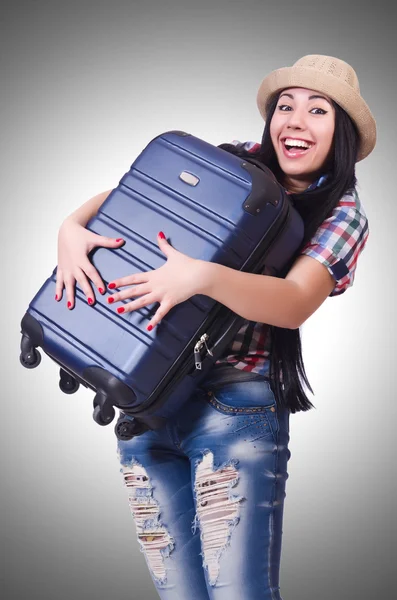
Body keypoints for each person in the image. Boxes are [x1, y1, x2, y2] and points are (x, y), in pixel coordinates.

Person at [55, 55, 375, 599]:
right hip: (147, 405)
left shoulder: (343, 213)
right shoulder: (233, 161)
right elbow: (129, 196)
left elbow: (295, 302)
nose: (295, 120)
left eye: (317, 110)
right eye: (285, 106)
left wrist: (202, 276)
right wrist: (70, 227)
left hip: (238, 411)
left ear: (340, 132)